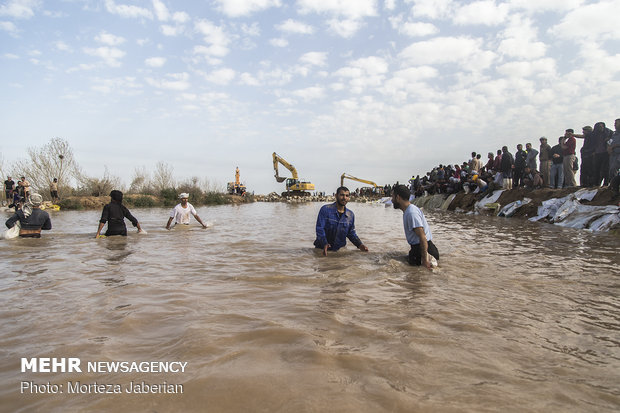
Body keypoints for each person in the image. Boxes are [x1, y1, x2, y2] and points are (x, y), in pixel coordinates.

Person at [391, 184, 439, 270]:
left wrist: (424, 260)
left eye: (392, 197)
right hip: (421, 249)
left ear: (398, 197)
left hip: (423, 251)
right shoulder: (409, 210)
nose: (391, 200)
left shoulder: (411, 213)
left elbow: (422, 236)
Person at [314, 186, 368, 256]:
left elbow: (351, 233)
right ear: (336, 196)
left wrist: (360, 245)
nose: (344, 198)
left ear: (349, 198)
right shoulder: (325, 210)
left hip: (339, 252)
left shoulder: (350, 215)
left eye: (347, 196)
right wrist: (324, 244)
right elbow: (320, 229)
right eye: (342, 195)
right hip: (322, 250)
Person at [608, 118, 620, 183]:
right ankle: (613, 185)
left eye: (616, 123)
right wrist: (608, 147)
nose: (614, 125)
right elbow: (610, 142)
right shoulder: (614, 134)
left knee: (614, 168)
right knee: (612, 170)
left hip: (619, 154)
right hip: (613, 155)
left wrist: (614, 146)